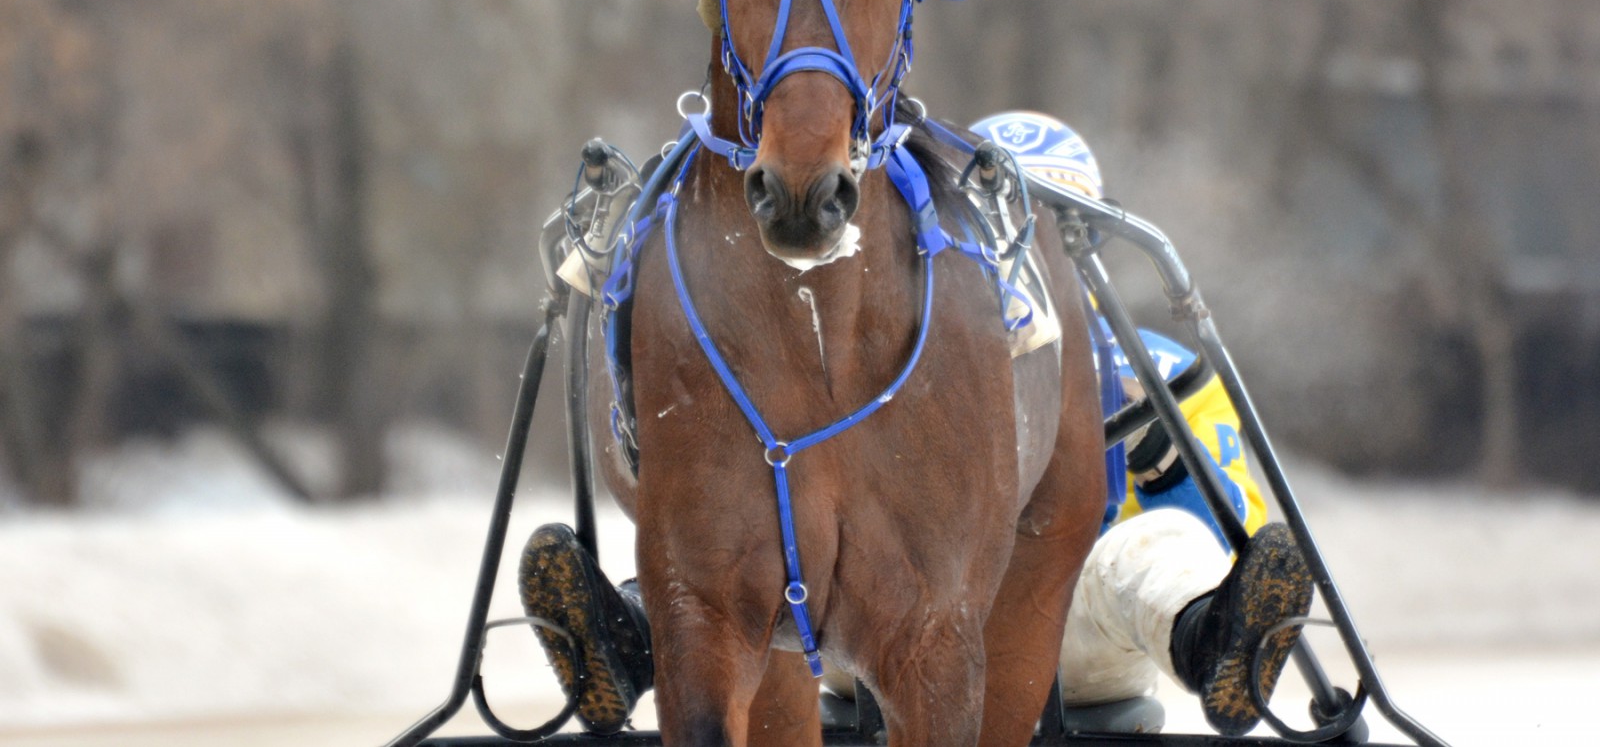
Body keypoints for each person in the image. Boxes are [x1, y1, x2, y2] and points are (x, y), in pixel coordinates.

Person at [519, 112, 1312, 737]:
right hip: (878, 631)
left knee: (1145, 551)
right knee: (759, 554)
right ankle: (633, 628)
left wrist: (1162, 469)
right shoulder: (911, 360)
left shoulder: (1164, 370)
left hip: (1081, 625)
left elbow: (1229, 519)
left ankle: (1212, 642)